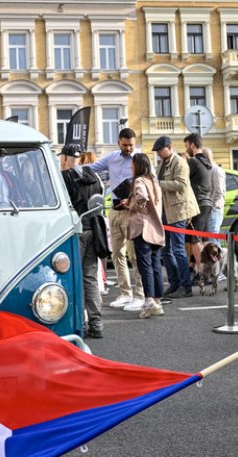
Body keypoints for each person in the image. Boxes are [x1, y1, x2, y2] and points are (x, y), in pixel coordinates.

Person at [85, 128, 145, 312]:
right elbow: (90, 168)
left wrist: (133, 201)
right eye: (125, 145)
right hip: (115, 209)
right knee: (117, 253)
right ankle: (125, 293)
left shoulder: (140, 159)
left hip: (132, 212)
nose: (128, 148)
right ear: (119, 142)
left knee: (134, 256)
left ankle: (140, 296)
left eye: (131, 145)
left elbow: (150, 183)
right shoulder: (111, 158)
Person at [59, 144, 105, 339]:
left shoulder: (65, 177)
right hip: (93, 230)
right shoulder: (93, 175)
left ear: (65, 159)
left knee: (74, 278)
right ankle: (97, 324)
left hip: (75, 232)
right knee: (90, 278)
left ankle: (79, 323)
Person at [152, 135, 199, 299]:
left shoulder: (179, 162)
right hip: (165, 211)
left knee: (178, 249)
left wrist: (158, 184)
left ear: (169, 147)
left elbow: (181, 184)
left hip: (179, 211)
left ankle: (186, 287)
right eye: (157, 151)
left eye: (160, 150)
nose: (158, 153)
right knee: (166, 249)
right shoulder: (163, 163)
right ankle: (175, 282)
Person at [127, 152, 165, 319]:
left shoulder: (139, 181)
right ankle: (157, 301)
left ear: (137, 165)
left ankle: (149, 301)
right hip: (156, 228)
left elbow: (142, 197)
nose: (130, 166)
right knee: (155, 265)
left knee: (145, 266)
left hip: (143, 228)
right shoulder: (154, 181)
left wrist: (134, 205)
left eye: (132, 164)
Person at [183, 133, 214, 285]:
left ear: (192, 145)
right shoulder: (208, 162)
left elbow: (182, 179)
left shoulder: (193, 161)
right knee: (205, 239)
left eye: (187, 146)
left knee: (195, 240)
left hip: (197, 204)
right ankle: (203, 271)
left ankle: (204, 273)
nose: (186, 149)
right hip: (207, 203)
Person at [203, 147, 227, 238]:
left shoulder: (216, 170)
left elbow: (218, 191)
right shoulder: (208, 170)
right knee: (210, 239)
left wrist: (210, 206)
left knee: (212, 238)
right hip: (210, 209)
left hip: (214, 209)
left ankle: (222, 252)